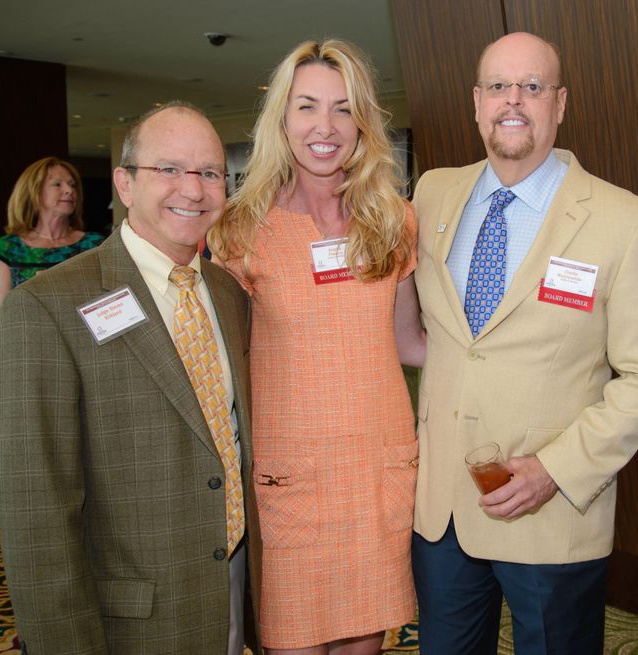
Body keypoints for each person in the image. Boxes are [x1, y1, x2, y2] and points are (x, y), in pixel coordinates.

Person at [411, 32, 638, 654]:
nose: (514, 101)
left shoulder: (626, 219)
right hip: (444, 513)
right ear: (477, 102)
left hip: (552, 516)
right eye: (500, 87)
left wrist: (556, 471)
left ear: (560, 104)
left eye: (532, 87)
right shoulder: (431, 195)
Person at [0, 102, 260, 654]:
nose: (193, 189)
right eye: (169, 169)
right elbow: (34, 515)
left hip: (231, 592)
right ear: (125, 184)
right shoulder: (47, 307)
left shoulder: (229, 294)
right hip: (128, 623)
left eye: (209, 173)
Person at [208, 39, 423, 655]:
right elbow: (225, 363)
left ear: (364, 123)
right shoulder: (238, 229)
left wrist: (514, 358)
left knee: (364, 645)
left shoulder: (393, 220)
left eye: (343, 108)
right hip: (288, 476)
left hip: (374, 473)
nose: (324, 127)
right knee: (290, 641)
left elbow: (409, 342)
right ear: (282, 118)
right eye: (307, 107)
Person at [0, 157, 104, 392]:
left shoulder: (94, 245)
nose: (69, 190)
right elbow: (1, 311)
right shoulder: (9, 248)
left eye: (72, 185)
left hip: (83, 353)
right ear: (34, 193)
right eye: (57, 184)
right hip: (28, 352)